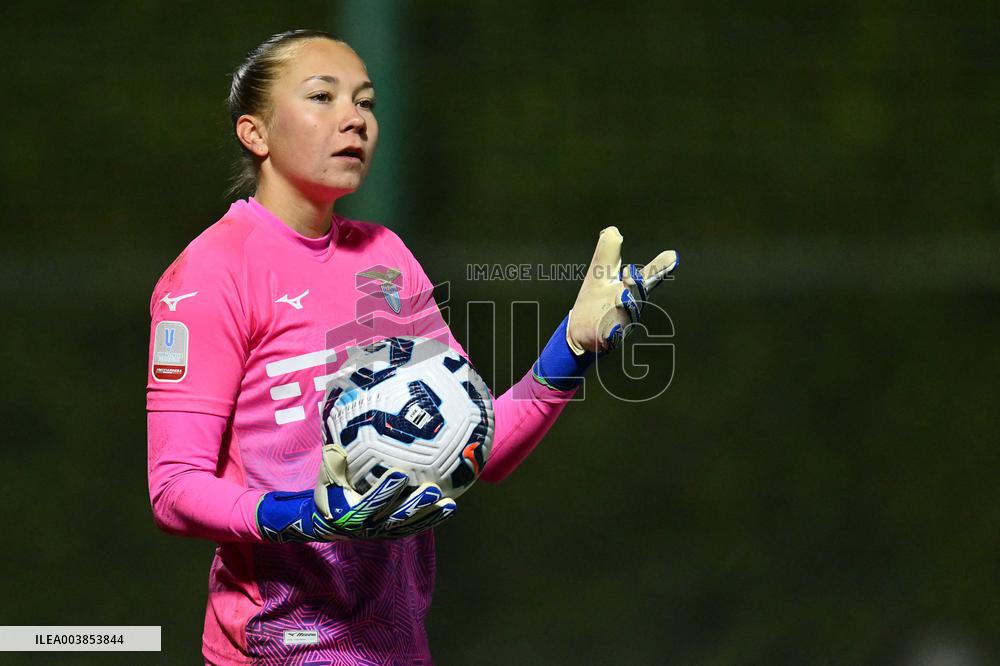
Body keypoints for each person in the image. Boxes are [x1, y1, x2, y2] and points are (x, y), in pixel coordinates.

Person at [146, 29, 677, 665]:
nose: (354, 118)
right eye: (322, 96)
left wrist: (573, 346)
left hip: (394, 644)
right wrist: (306, 515)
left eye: (365, 102)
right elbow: (174, 490)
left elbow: (475, 447)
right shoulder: (212, 272)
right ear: (255, 133)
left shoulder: (384, 257)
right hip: (277, 646)